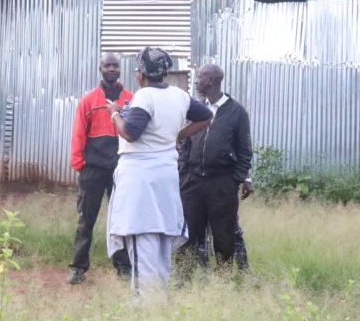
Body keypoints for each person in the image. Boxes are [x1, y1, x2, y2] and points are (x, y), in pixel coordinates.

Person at [105, 47, 213, 302]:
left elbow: (131, 133)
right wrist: (180, 135)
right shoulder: (179, 95)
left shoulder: (144, 96)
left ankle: (145, 307)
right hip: (165, 175)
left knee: (141, 238)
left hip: (141, 178)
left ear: (141, 74)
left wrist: (114, 114)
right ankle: (159, 300)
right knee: (161, 239)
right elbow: (206, 116)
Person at [176, 64, 253, 275]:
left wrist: (234, 181)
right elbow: (185, 143)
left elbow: (244, 151)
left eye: (200, 78)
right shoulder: (196, 109)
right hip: (192, 183)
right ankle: (184, 277)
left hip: (221, 184)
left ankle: (222, 280)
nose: (197, 82)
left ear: (211, 81)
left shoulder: (237, 112)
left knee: (224, 234)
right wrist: (184, 173)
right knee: (188, 233)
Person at [66, 52, 134, 285]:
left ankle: (123, 266)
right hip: (93, 170)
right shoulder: (89, 99)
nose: (112, 69)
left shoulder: (130, 100)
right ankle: (77, 268)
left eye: (115, 65)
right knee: (86, 220)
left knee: (122, 221)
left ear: (120, 69)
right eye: (108, 65)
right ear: (101, 68)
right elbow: (78, 133)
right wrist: (79, 165)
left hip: (121, 170)